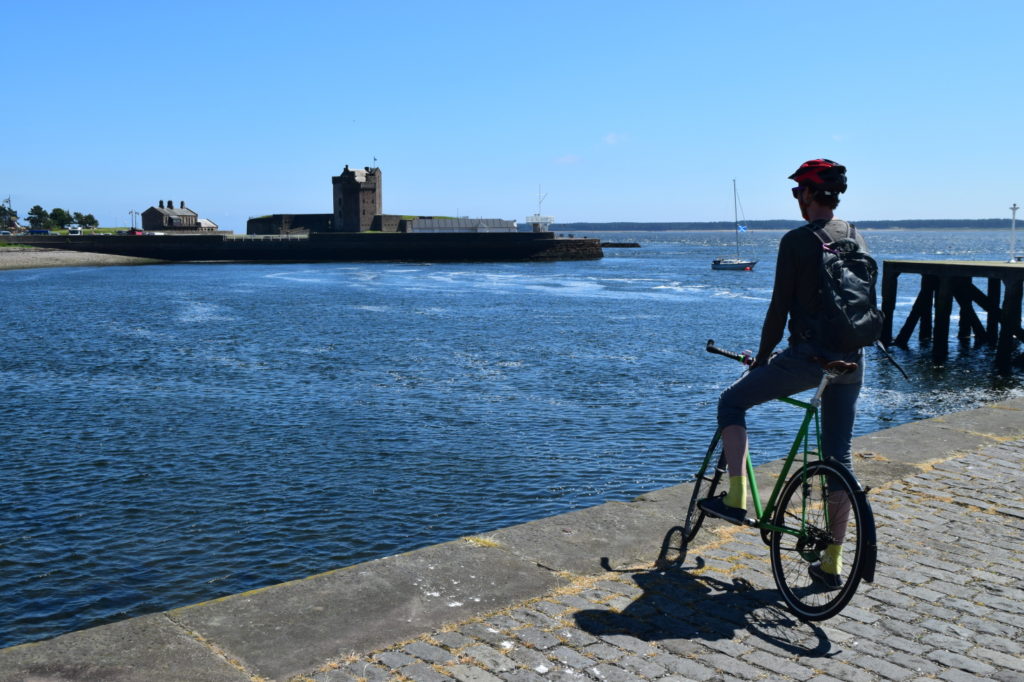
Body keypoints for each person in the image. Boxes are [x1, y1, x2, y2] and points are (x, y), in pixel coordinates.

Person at [699, 158, 867, 588]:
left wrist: (762, 357)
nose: (797, 199)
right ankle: (832, 561)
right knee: (838, 460)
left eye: (798, 192)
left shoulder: (797, 241)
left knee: (732, 401)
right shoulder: (854, 235)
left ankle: (736, 498)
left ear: (810, 195)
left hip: (809, 358)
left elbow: (779, 309)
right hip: (850, 360)